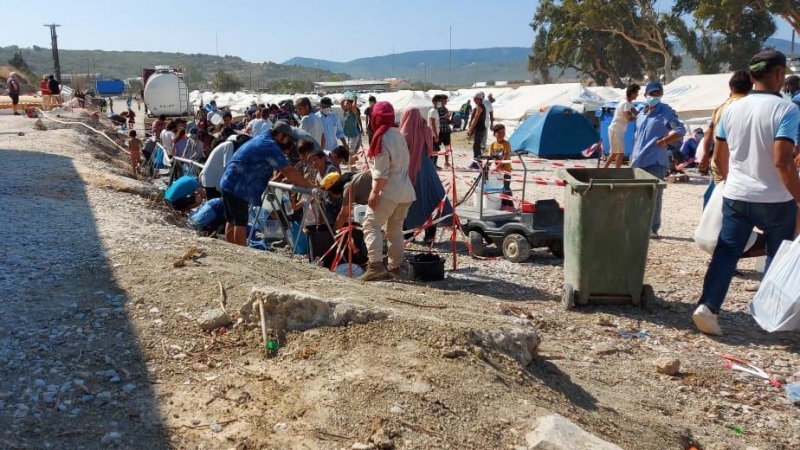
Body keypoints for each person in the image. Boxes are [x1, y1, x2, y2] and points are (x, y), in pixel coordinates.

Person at [693, 50, 800, 336]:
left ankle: (708, 306)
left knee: (727, 252)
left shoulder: (732, 109)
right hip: (776, 198)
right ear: (779, 74)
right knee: (779, 254)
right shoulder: (787, 109)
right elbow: (782, 160)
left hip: (737, 195)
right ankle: (772, 315)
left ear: (751, 76)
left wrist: (733, 182)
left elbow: (719, 157)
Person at [218, 122, 313, 246]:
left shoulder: (263, 137)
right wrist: (309, 185)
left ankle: (230, 251)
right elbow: (288, 170)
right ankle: (239, 257)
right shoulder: (270, 145)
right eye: (287, 139)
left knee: (232, 220)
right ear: (280, 135)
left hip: (229, 181)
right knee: (240, 223)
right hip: (239, 186)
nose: (288, 142)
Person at [362, 102, 416, 281]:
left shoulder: (381, 138)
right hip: (405, 191)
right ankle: (394, 268)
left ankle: (376, 265)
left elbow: (382, 172)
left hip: (389, 190)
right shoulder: (398, 135)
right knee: (395, 231)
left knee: (371, 225)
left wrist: (374, 193)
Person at [630, 81, 686, 238]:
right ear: (645, 95)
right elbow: (637, 136)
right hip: (638, 160)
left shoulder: (665, 111)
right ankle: (638, 224)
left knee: (654, 195)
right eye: (652, 93)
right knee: (637, 194)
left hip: (655, 160)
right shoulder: (641, 113)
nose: (654, 96)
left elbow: (680, 129)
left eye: (658, 94)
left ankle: (652, 228)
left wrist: (664, 142)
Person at [400, 107, 451, 244]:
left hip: (410, 170)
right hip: (428, 169)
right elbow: (430, 147)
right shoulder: (426, 130)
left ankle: (408, 234)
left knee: (408, 202)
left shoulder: (404, 133)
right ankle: (430, 235)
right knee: (431, 200)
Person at [698, 71, 753, 182]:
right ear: (751, 88)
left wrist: (704, 156)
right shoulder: (753, 106)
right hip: (744, 165)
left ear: (730, 88)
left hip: (720, 163)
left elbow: (708, 133)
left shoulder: (720, 108)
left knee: (720, 194)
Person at [200, 134, 251, 200]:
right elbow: (228, 166)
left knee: (217, 204)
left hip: (214, 178)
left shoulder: (230, 146)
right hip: (211, 179)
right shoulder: (229, 145)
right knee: (214, 205)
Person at [605, 84, 639, 168]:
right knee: (620, 152)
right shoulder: (626, 104)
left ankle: (603, 169)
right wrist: (638, 118)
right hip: (616, 130)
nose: (637, 94)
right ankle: (617, 172)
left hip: (615, 130)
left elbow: (637, 113)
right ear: (632, 93)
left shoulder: (629, 104)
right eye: (636, 93)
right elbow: (629, 117)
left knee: (614, 153)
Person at [488, 124, 514, 209]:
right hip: (497, 172)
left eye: (503, 132)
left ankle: (510, 205)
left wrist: (497, 167)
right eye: (499, 133)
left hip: (506, 170)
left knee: (506, 187)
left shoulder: (506, 144)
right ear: (494, 134)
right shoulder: (492, 145)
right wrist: (486, 168)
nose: (502, 134)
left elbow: (505, 157)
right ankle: (503, 204)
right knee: (499, 188)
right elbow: (490, 158)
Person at [467, 92, 488, 168]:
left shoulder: (480, 107)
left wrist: (470, 130)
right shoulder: (480, 106)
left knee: (476, 147)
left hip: (479, 128)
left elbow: (476, 119)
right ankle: (477, 162)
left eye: (475, 98)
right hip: (481, 128)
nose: (474, 100)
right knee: (476, 146)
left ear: (480, 99)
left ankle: (477, 163)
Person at [341, 93, 363, 163]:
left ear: (351, 104)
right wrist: (346, 96)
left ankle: (352, 166)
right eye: (345, 104)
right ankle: (350, 161)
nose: (345, 105)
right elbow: (341, 103)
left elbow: (354, 105)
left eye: (347, 104)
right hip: (347, 134)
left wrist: (355, 99)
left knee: (351, 151)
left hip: (354, 135)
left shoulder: (354, 112)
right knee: (348, 150)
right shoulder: (346, 111)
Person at [427, 95, 443, 169]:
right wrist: (436, 136)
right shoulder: (433, 111)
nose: (440, 103)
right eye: (438, 101)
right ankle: (433, 165)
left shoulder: (435, 111)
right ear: (434, 102)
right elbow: (432, 123)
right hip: (433, 135)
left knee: (435, 150)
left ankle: (434, 165)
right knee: (435, 150)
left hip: (434, 134)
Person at [437, 95, 453, 168]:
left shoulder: (446, 109)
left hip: (446, 130)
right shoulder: (437, 109)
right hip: (440, 131)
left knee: (447, 147)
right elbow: (434, 119)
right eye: (445, 100)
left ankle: (446, 162)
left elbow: (447, 120)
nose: (446, 101)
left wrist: (451, 121)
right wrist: (444, 117)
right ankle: (434, 164)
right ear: (441, 100)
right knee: (436, 147)